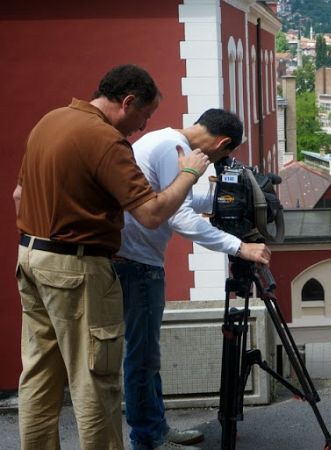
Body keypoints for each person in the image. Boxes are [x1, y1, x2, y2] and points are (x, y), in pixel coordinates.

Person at [14, 64, 209, 450]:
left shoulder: (50, 121)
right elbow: (152, 214)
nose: (141, 127)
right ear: (128, 101)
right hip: (78, 267)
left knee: (39, 377)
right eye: (143, 116)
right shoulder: (104, 139)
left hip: (31, 257)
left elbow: (19, 196)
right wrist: (188, 173)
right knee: (96, 379)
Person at [114, 109, 271, 450]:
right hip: (137, 263)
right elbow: (181, 217)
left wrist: (232, 198)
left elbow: (182, 199)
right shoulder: (174, 149)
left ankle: (154, 429)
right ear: (223, 143)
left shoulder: (165, 138)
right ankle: (149, 439)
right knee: (142, 357)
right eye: (224, 155)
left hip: (137, 261)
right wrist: (239, 246)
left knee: (146, 355)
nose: (219, 162)